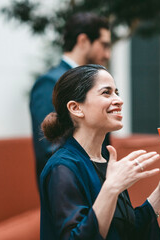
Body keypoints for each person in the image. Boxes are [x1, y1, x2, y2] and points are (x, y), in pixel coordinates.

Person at [39, 64, 160, 240]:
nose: (119, 100)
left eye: (117, 92)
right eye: (106, 92)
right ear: (76, 108)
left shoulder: (106, 162)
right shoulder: (61, 168)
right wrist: (111, 188)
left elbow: (124, 231)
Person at [30, 12, 111, 183]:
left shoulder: (97, 82)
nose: (107, 54)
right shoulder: (49, 83)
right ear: (83, 41)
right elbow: (50, 146)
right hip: (70, 187)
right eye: (103, 45)